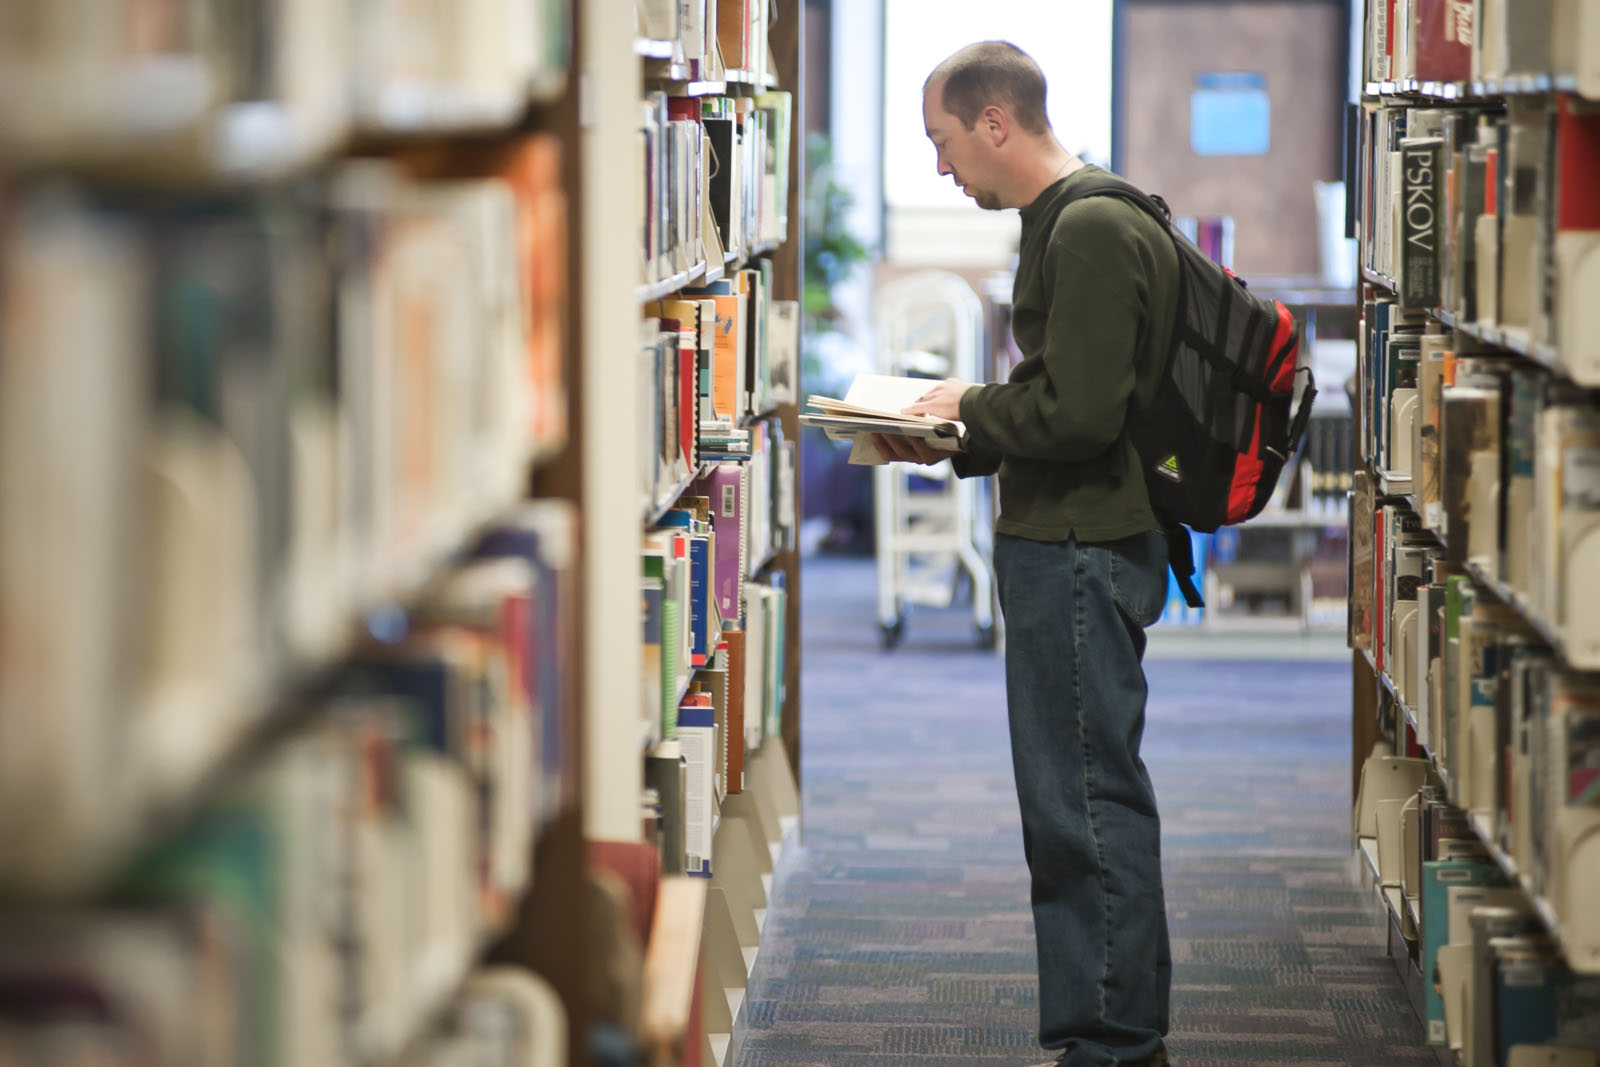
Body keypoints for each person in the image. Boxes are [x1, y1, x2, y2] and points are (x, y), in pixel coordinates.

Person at [873, 40, 1178, 1067]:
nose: (941, 166)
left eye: (943, 140)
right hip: (1071, 539)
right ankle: (1109, 1027)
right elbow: (1063, 403)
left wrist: (965, 405)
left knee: (1083, 801)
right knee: (1073, 797)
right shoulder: (1069, 217)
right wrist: (959, 437)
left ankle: (1114, 1039)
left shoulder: (1086, 228)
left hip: (1082, 548)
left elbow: (1080, 414)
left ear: (994, 121)